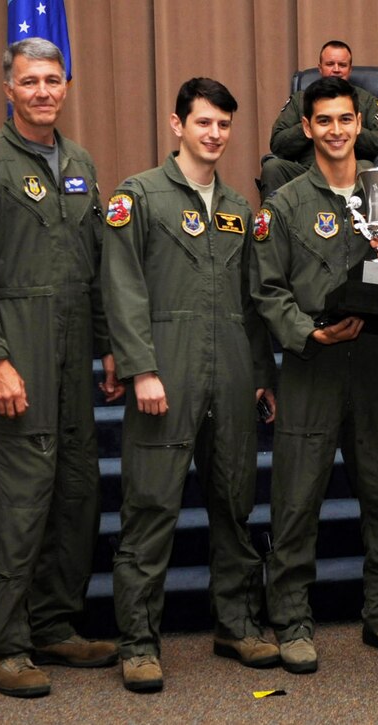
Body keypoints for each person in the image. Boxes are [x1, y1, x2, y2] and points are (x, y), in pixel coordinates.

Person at [0, 37, 122, 699]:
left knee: (74, 493)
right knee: (14, 500)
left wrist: (108, 344)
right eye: (30, 80)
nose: (43, 91)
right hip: (18, 349)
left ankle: (52, 624)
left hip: (73, 356)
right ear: (8, 89)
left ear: (66, 85)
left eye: (52, 79)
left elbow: (96, 263)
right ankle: (4, 645)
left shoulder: (80, 162)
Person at [101, 78, 279, 693]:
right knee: (151, 507)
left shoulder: (238, 208)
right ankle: (138, 642)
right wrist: (140, 368)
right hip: (166, 371)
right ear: (177, 124)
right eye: (203, 122)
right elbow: (121, 286)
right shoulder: (138, 196)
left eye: (224, 124)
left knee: (234, 502)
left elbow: (252, 303)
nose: (214, 134)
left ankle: (237, 625)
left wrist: (260, 374)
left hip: (230, 372)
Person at [249, 76, 378, 674]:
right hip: (312, 366)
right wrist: (307, 332)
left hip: (373, 365)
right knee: (296, 500)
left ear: (359, 123)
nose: (337, 130)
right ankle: (293, 621)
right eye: (324, 120)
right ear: (307, 128)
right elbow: (267, 292)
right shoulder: (285, 205)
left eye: (346, 119)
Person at [259, 40, 378, 199]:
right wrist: (313, 125)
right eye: (330, 64)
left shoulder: (367, 101)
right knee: (272, 167)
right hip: (305, 171)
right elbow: (277, 143)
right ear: (320, 68)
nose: (336, 69)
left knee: (367, 168)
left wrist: (349, 127)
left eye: (342, 65)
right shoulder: (300, 100)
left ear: (350, 69)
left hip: (351, 172)